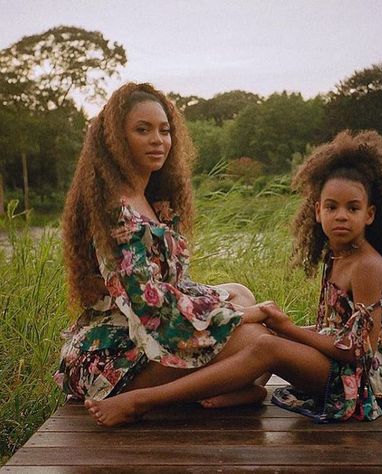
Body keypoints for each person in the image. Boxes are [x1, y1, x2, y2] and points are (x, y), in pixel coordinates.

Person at [83, 129, 382, 427]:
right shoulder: (339, 255)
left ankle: (143, 401)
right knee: (266, 332)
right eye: (332, 207)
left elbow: (358, 352)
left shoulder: (366, 266)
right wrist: (283, 328)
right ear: (317, 211)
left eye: (353, 208)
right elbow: (338, 332)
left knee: (266, 344)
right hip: (347, 370)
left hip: (367, 386)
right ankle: (244, 389)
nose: (341, 216)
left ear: (370, 214)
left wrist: (287, 330)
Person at [55, 82, 271, 412]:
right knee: (255, 338)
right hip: (113, 351)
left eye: (164, 130)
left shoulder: (154, 198)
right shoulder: (115, 211)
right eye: (143, 130)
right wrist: (237, 318)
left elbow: (172, 285)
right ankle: (203, 390)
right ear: (116, 139)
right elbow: (150, 308)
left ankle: (231, 386)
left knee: (239, 292)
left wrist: (232, 309)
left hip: (147, 327)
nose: (158, 140)